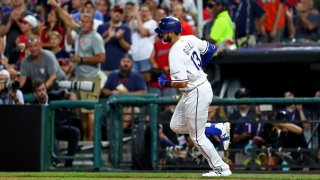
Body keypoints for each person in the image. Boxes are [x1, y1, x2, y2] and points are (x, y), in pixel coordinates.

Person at [154, 17, 232, 177]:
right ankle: (217, 128)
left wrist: (165, 83)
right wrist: (199, 66)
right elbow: (211, 48)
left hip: (195, 91)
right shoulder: (190, 38)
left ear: (170, 32)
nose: (160, 36)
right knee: (176, 126)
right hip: (197, 88)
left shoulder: (175, 52)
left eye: (162, 33)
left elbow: (181, 83)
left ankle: (221, 168)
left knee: (197, 136)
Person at [31, 79, 80, 168]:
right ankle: (59, 161)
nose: (42, 92)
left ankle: (68, 164)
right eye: (39, 91)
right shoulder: (33, 105)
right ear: (34, 93)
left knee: (75, 132)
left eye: (43, 89)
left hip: (59, 127)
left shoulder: (54, 97)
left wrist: (71, 97)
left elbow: (67, 100)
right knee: (49, 131)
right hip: (43, 131)